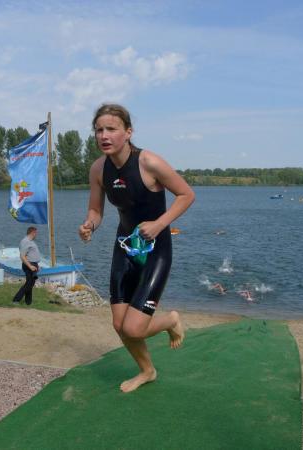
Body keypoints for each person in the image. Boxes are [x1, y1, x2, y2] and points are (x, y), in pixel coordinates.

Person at [78, 104, 195, 393]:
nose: (104, 135)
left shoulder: (149, 162)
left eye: (111, 129)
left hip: (156, 249)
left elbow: (186, 194)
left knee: (133, 328)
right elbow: (96, 210)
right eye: (99, 130)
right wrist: (89, 225)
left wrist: (159, 224)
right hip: (125, 247)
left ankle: (170, 320)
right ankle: (147, 371)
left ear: (128, 132)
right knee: (120, 325)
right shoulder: (98, 169)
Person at [13, 226, 40, 305]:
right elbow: (22, 256)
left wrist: (37, 265)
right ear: (33, 233)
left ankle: (28, 302)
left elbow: (32, 254)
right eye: (36, 233)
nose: (36, 235)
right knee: (29, 284)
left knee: (30, 283)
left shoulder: (30, 241)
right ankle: (16, 300)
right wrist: (30, 266)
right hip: (29, 265)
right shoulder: (25, 241)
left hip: (33, 264)